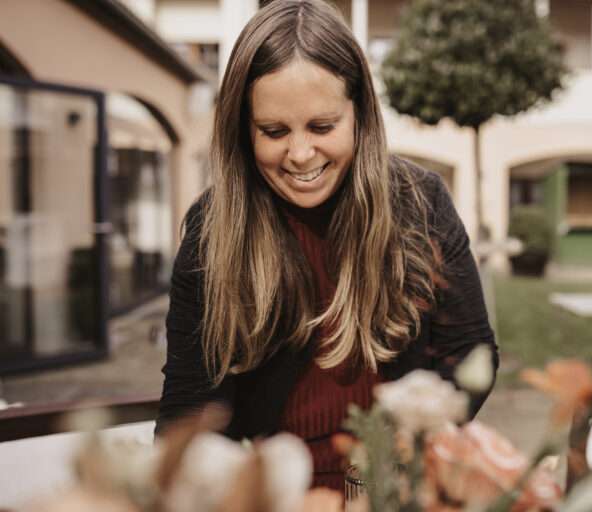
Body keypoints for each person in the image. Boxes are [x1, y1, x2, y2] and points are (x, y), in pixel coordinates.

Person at [156, 0, 498, 491]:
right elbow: (187, 411)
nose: (299, 154)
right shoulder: (212, 229)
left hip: (396, 486)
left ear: (359, 114)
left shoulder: (421, 204)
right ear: (243, 130)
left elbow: (471, 355)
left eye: (322, 127)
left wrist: (388, 464)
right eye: (274, 132)